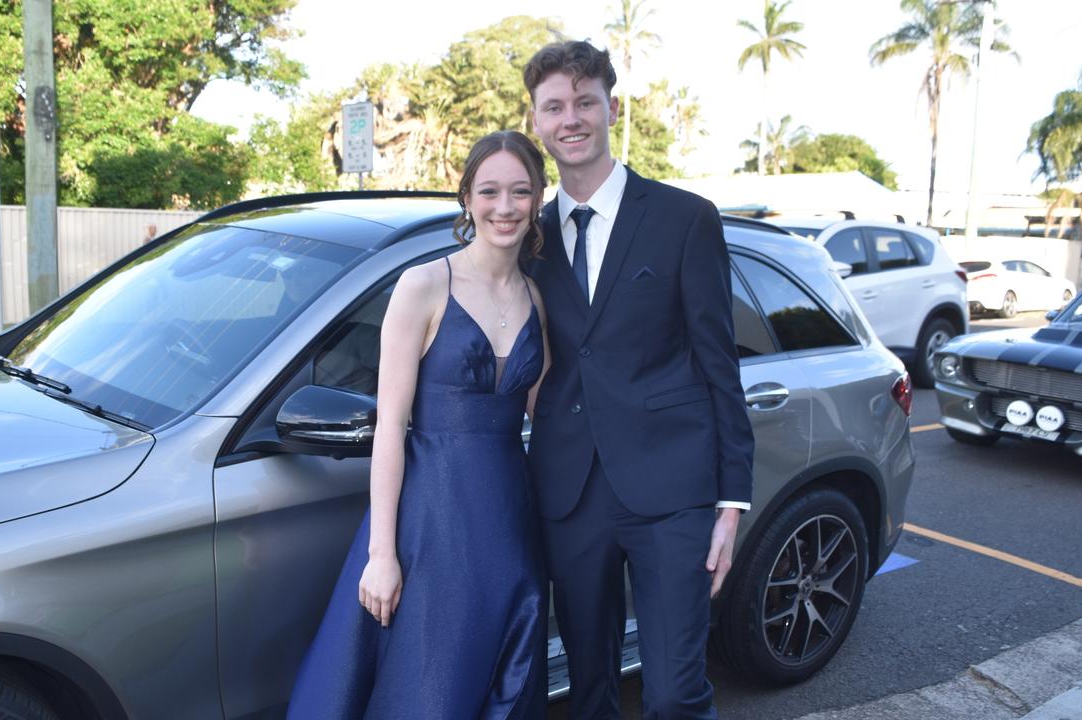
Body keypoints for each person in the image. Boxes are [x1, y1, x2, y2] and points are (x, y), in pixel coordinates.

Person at [522, 41, 755, 719]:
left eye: (584, 102)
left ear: (610, 108)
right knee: (587, 689)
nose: (571, 118)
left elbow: (719, 363)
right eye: (554, 106)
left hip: (673, 494)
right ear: (536, 119)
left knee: (675, 692)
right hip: (568, 495)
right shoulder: (529, 237)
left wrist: (730, 502)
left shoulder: (685, 217)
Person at [287, 130, 552, 719]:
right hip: (431, 521)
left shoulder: (536, 296)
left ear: (537, 198)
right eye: (489, 191)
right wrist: (381, 555)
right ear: (467, 198)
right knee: (432, 679)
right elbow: (389, 429)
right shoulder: (424, 285)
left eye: (519, 191)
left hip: (509, 517)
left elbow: (549, 416)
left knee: (503, 677)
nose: (504, 207)